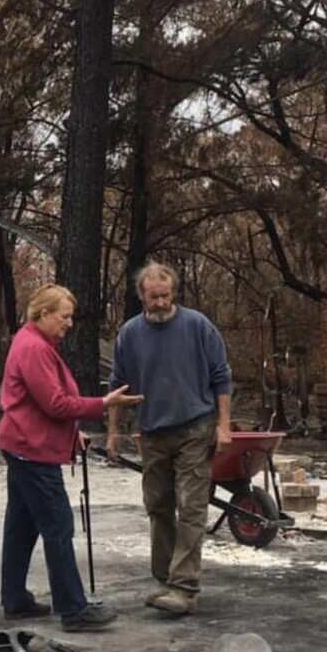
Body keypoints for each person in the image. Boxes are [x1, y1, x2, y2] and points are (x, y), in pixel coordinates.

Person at [0, 284, 143, 632]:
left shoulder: (33, 341)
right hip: (32, 450)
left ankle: (15, 599)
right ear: (43, 314)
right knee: (58, 526)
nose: (69, 323)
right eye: (64, 316)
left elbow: (40, 402)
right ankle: (73, 610)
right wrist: (105, 403)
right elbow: (56, 404)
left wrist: (71, 432)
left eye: (71, 317)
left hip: (23, 443)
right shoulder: (34, 348)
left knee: (22, 525)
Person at [106, 262, 232, 617]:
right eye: (152, 297)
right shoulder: (129, 334)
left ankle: (185, 586)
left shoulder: (197, 326)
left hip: (195, 425)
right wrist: (114, 432)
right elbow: (118, 385)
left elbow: (221, 377)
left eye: (165, 295)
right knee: (158, 505)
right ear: (141, 296)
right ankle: (164, 579)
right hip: (153, 431)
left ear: (173, 293)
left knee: (191, 505)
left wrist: (224, 426)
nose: (160, 303)